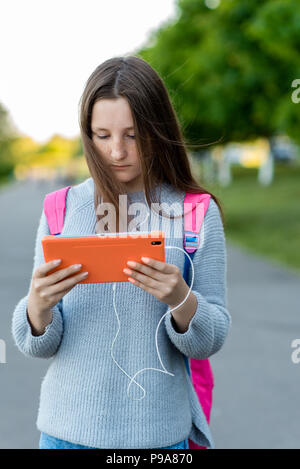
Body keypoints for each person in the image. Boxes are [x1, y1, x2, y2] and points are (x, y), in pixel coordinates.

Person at [11, 56, 231, 450]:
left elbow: (209, 340)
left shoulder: (196, 213)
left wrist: (180, 298)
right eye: (102, 135)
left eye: (133, 135)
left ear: (157, 129)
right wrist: (38, 308)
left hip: (159, 439)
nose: (116, 152)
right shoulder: (61, 208)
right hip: (64, 435)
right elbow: (38, 344)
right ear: (87, 135)